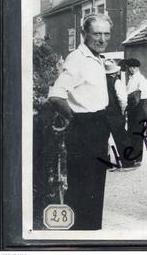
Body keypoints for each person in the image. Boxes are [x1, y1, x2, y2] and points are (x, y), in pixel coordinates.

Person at [48, 13, 112, 230]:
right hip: (85, 129)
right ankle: (79, 241)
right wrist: (75, 118)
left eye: (106, 34)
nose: (102, 39)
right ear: (84, 34)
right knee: (82, 190)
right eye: (96, 34)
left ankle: (92, 236)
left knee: (95, 190)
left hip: (98, 127)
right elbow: (56, 95)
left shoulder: (96, 58)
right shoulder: (77, 58)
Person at [104, 59, 132, 171]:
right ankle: (127, 162)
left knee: (103, 139)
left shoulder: (100, 81)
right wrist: (122, 111)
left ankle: (105, 163)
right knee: (121, 137)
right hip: (114, 113)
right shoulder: (117, 81)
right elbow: (122, 99)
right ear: (115, 72)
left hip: (102, 113)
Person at [126, 58, 147, 167]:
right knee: (132, 133)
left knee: (137, 134)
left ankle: (138, 158)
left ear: (135, 67)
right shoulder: (131, 78)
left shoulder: (140, 78)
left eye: (130, 67)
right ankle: (134, 156)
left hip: (139, 109)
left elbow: (141, 95)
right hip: (133, 109)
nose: (129, 69)